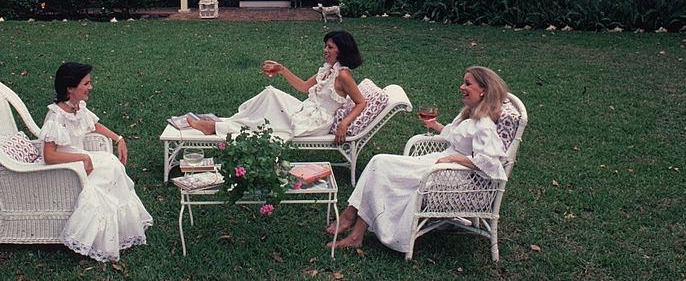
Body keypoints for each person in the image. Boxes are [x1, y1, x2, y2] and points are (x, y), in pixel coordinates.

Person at [328, 66, 510, 253]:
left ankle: (352, 222)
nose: (461, 87)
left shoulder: (485, 125)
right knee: (378, 164)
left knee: (380, 163)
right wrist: (435, 125)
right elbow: (456, 136)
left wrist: (454, 159)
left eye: (468, 84)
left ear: (483, 90)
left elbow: (490, 162)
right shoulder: (471, 114)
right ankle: (354, 225)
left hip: (451, 174)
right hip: (440, 162)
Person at [40, 62, 153, 262]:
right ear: (70, 88)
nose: (90, 87)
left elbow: (94, 125)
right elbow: (49, 156)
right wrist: (83, 157)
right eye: (86, 83)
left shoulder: (77, 108)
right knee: (107, 173)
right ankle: (98, 235)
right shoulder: (56, 117)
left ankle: (118, 230)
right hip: (67, 167)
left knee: (113, 164)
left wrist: (118, 139)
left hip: (82, 159)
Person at [187, 30, 367, 143]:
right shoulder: (328, 70)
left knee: (269, 119)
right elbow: (304, 87)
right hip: (306, 110)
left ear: (341, 50)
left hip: (316, 121)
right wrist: (282, 70)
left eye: (330, 47)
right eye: (325, 46)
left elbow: (361, 102)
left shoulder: (343, 75)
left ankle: (214, 127)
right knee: (270, 94)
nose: (325, 50)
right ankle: (227, 122)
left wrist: (344, 124)